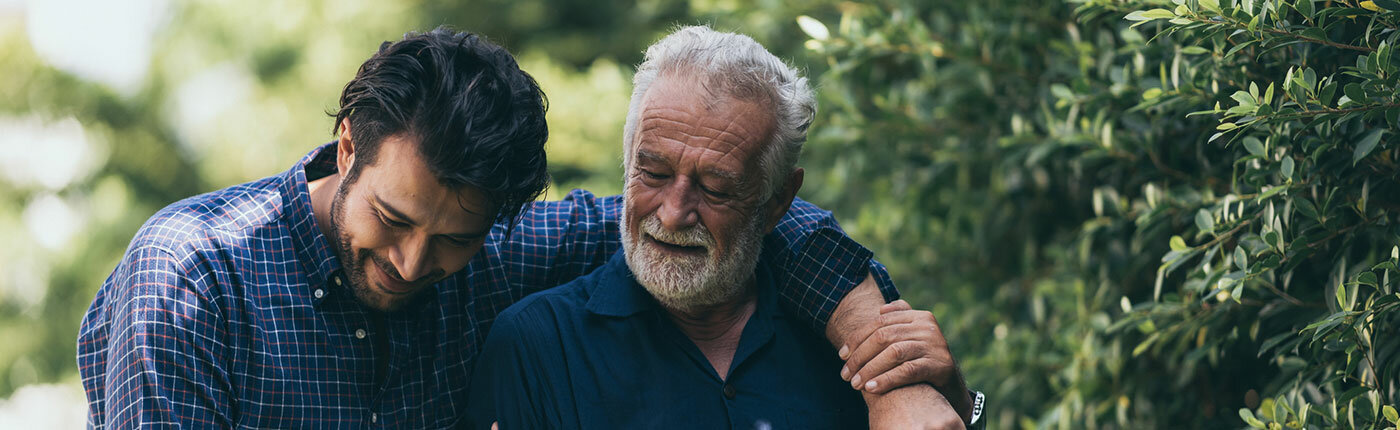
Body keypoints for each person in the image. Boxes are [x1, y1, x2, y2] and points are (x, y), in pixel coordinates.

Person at [76, 27, 974, 428]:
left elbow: (738, 225)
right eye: (392, 219)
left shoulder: (497, 257)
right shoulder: (191, 277)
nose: (412, 262)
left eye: (455, 239)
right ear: (346, 145)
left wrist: (883, 362)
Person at [467, 26, 980, 429]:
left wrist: (958, 401)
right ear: (627, 163)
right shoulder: (536, 344)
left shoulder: (853, 325)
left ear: (778, 199)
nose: (672, 213)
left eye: (715, 188)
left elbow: (945, 418)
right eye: (654, 173)